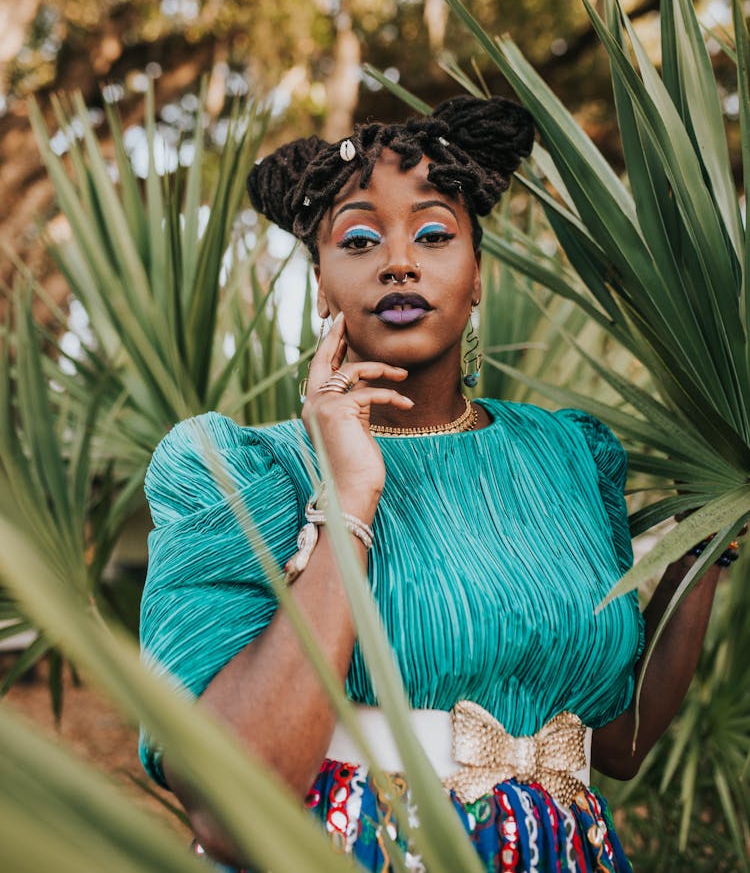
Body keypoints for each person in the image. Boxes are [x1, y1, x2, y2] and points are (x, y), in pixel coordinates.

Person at [139, 95, 729, 873]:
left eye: (433, 234)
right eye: (358, 239)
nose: (399, 261)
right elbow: (226, 804)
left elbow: (615, 740)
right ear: (321, 285)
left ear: (477, 274)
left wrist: (709, 533)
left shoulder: (572, 457)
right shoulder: (234, 471)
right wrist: (349, 496)